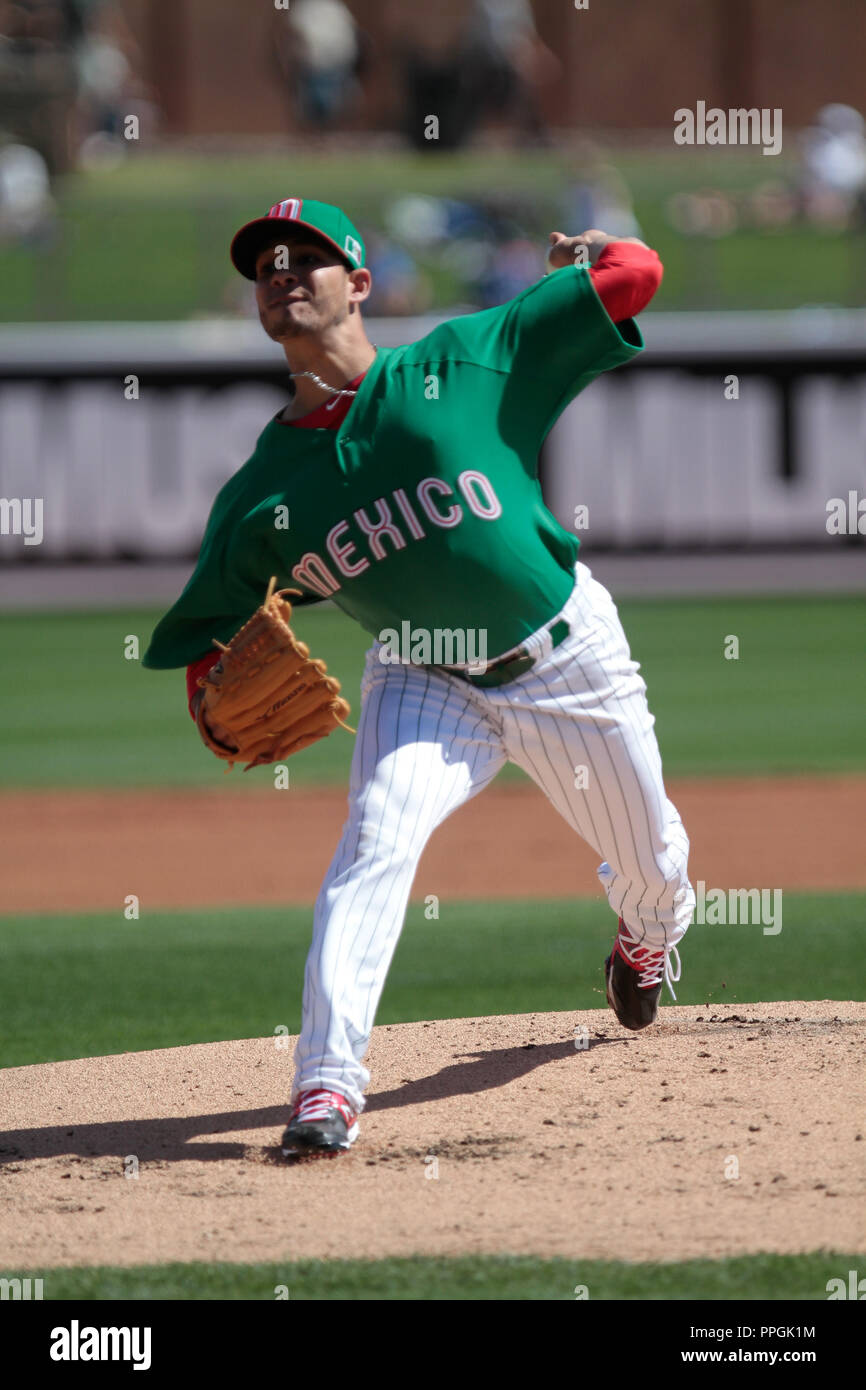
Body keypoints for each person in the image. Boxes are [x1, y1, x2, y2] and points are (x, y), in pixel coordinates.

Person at [143, 197, 695, 1158]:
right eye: (265, 265)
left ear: (359, 283)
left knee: (654, 868)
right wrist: (209, 693)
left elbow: (634, 278)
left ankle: (645, 937)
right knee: (373, 845)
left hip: (568, 659)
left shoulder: (462, 363)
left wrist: (588, 254)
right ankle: (326, 1086)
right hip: (420, 677)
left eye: (305, 257)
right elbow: (204, 631)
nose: (281, 272)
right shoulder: (263, 496)